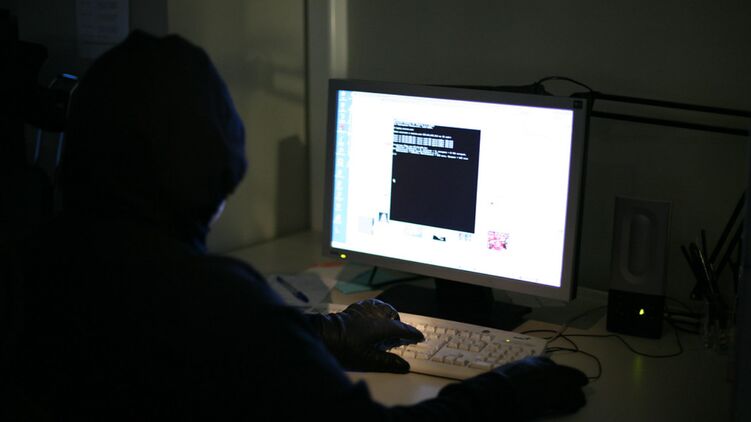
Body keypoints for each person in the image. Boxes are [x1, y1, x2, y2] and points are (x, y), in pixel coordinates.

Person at [6, 31, 588, 420]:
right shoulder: (214, 301)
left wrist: (329, 334)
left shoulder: (37, 264)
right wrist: (510, 389)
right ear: (213, 167)